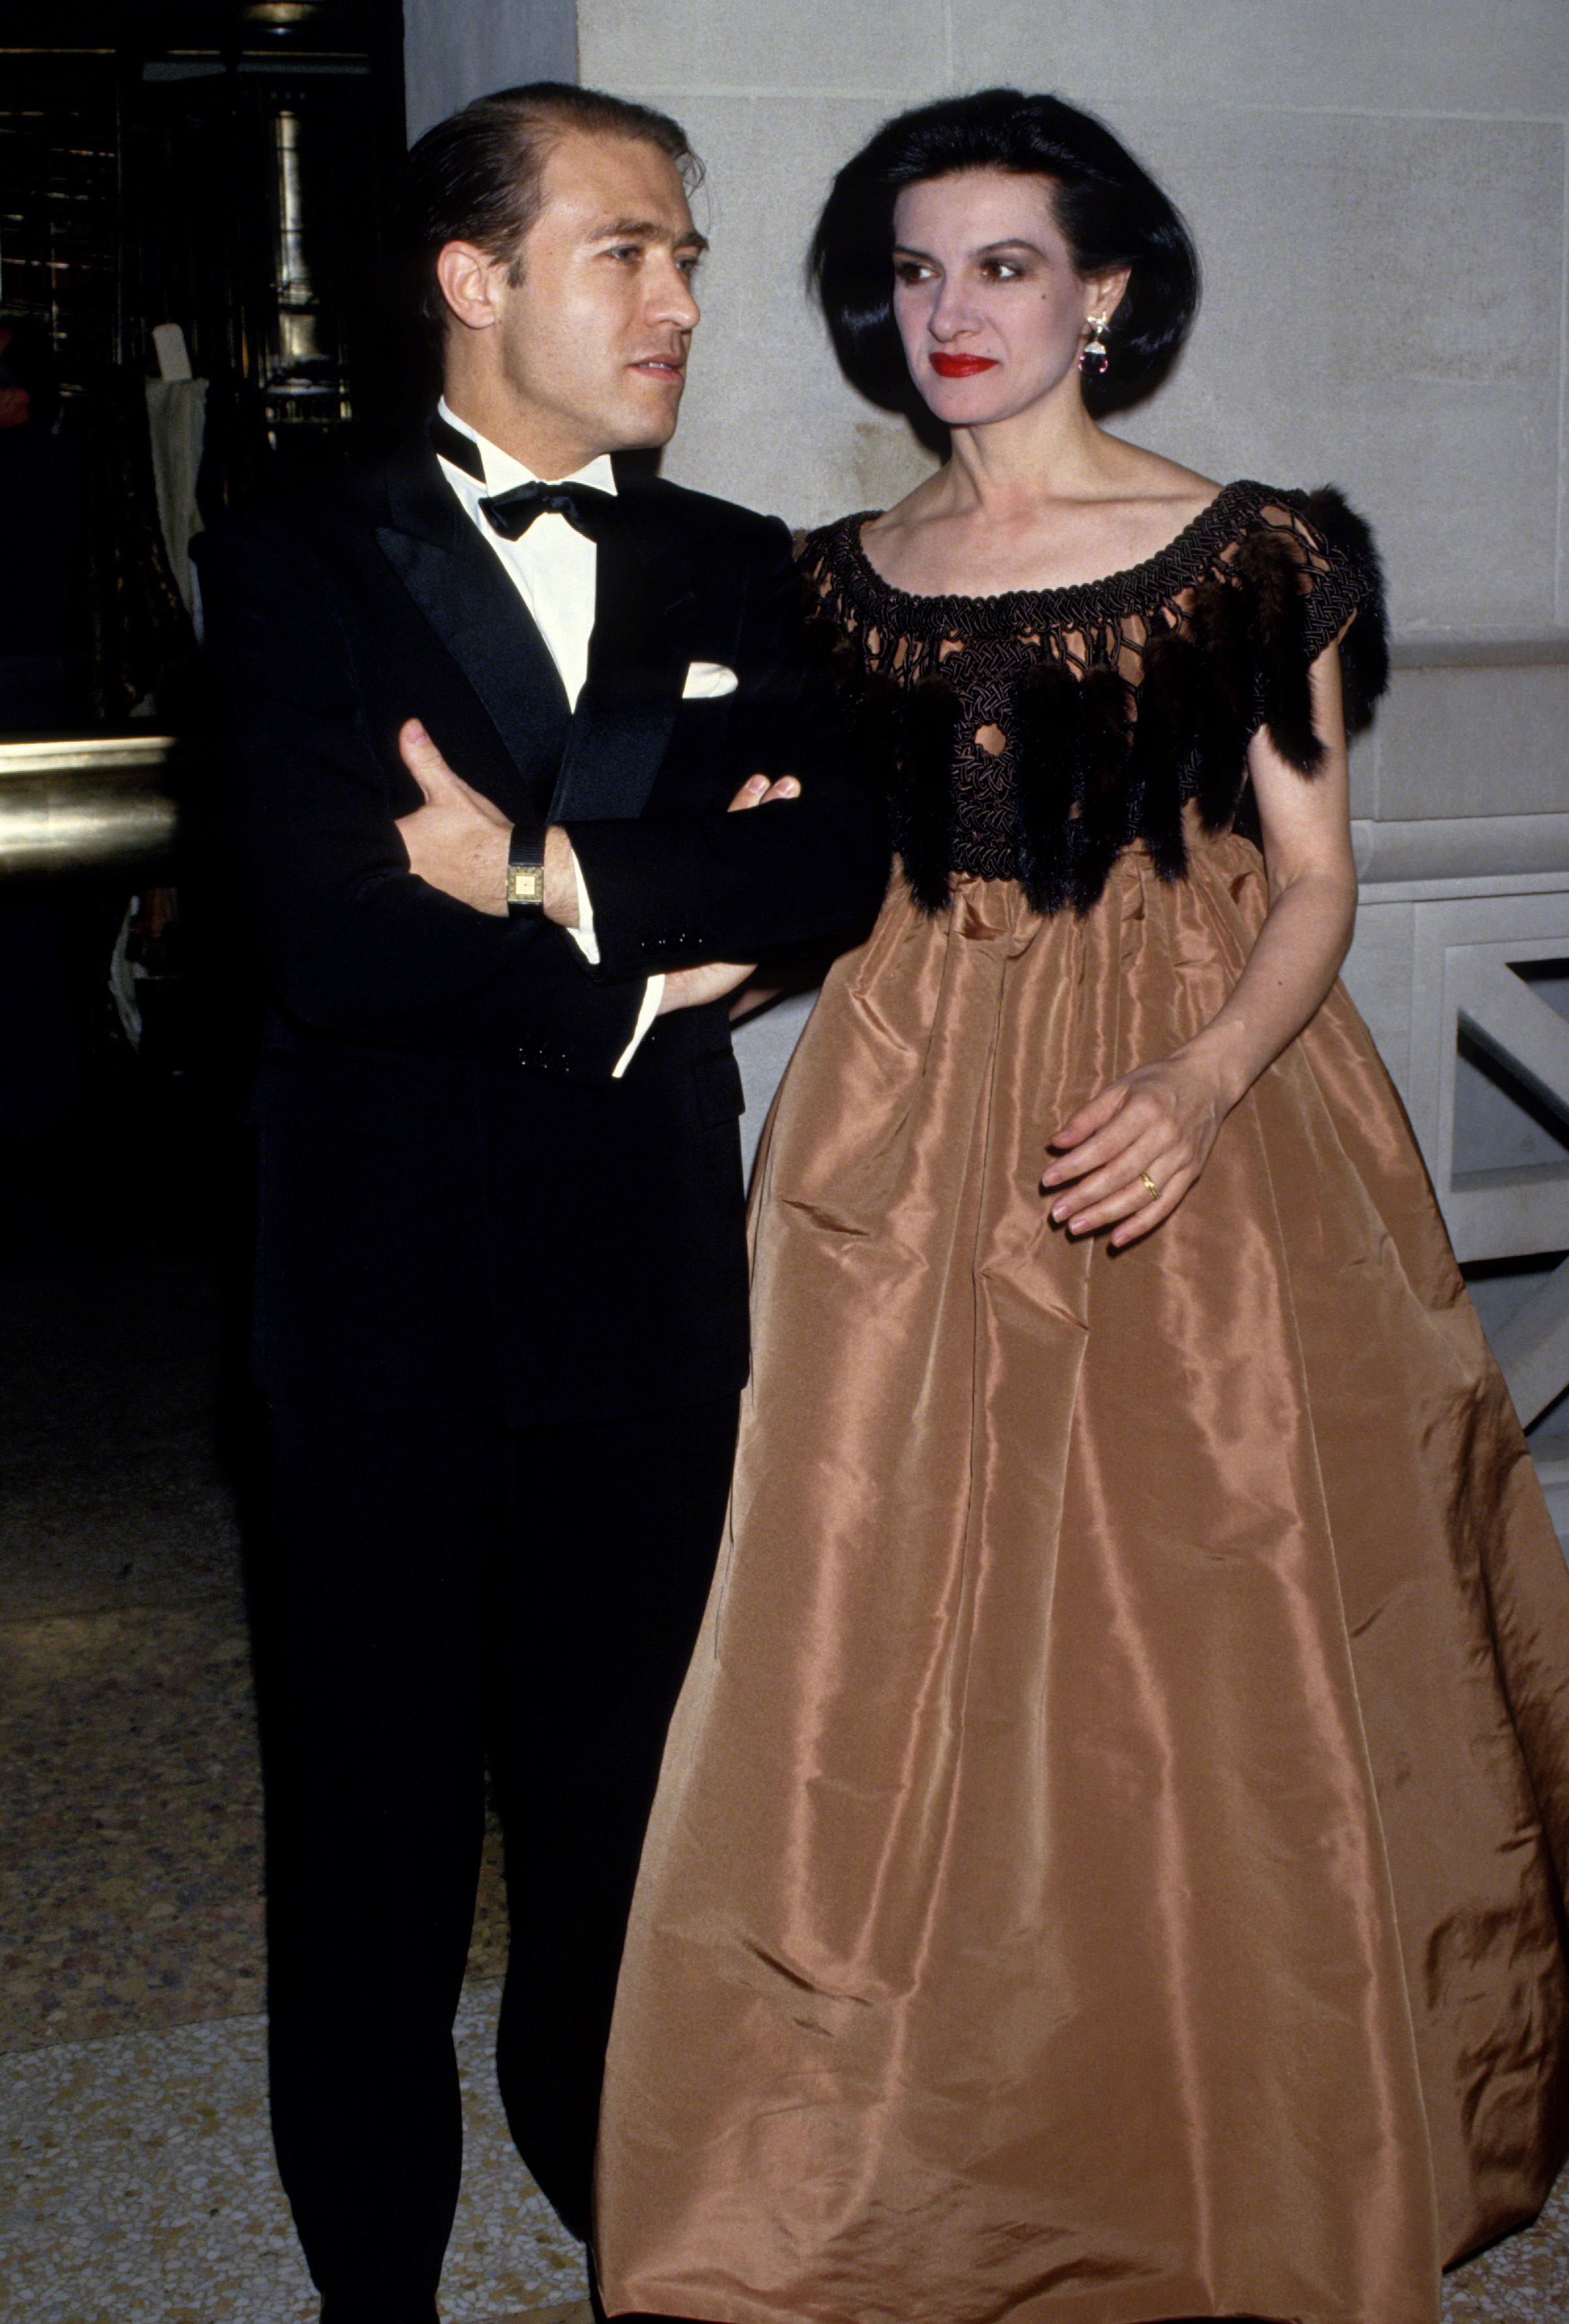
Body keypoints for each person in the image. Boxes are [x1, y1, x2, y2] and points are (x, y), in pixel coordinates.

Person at [590, 89, 1569, 2324]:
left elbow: (1314, 884)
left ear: (1106, 291)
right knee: (873, 1634)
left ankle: (1265, 2128)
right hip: (908, 1119)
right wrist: (605, 959)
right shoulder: (827, 584)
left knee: (1218, 1639)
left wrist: (1202, 1078)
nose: (952, 312)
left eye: (1005, 266)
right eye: (916, 271)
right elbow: (817, 886)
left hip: (1203, 1109)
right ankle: (899, 2150)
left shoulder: (1260, 553)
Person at [196, 82, 887, 2324]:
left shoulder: (753, 567)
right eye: (629, 250)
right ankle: (374, 2275)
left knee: (617, 1823)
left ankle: (627, 2220)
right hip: (376, 1308)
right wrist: (663, 963)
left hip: (639, 1299)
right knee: (375, 1842)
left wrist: (528, 866)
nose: (684, 294)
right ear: (471, 280)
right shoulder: (293, 551)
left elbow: (834, 868)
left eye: (688, 251)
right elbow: (328, 937)